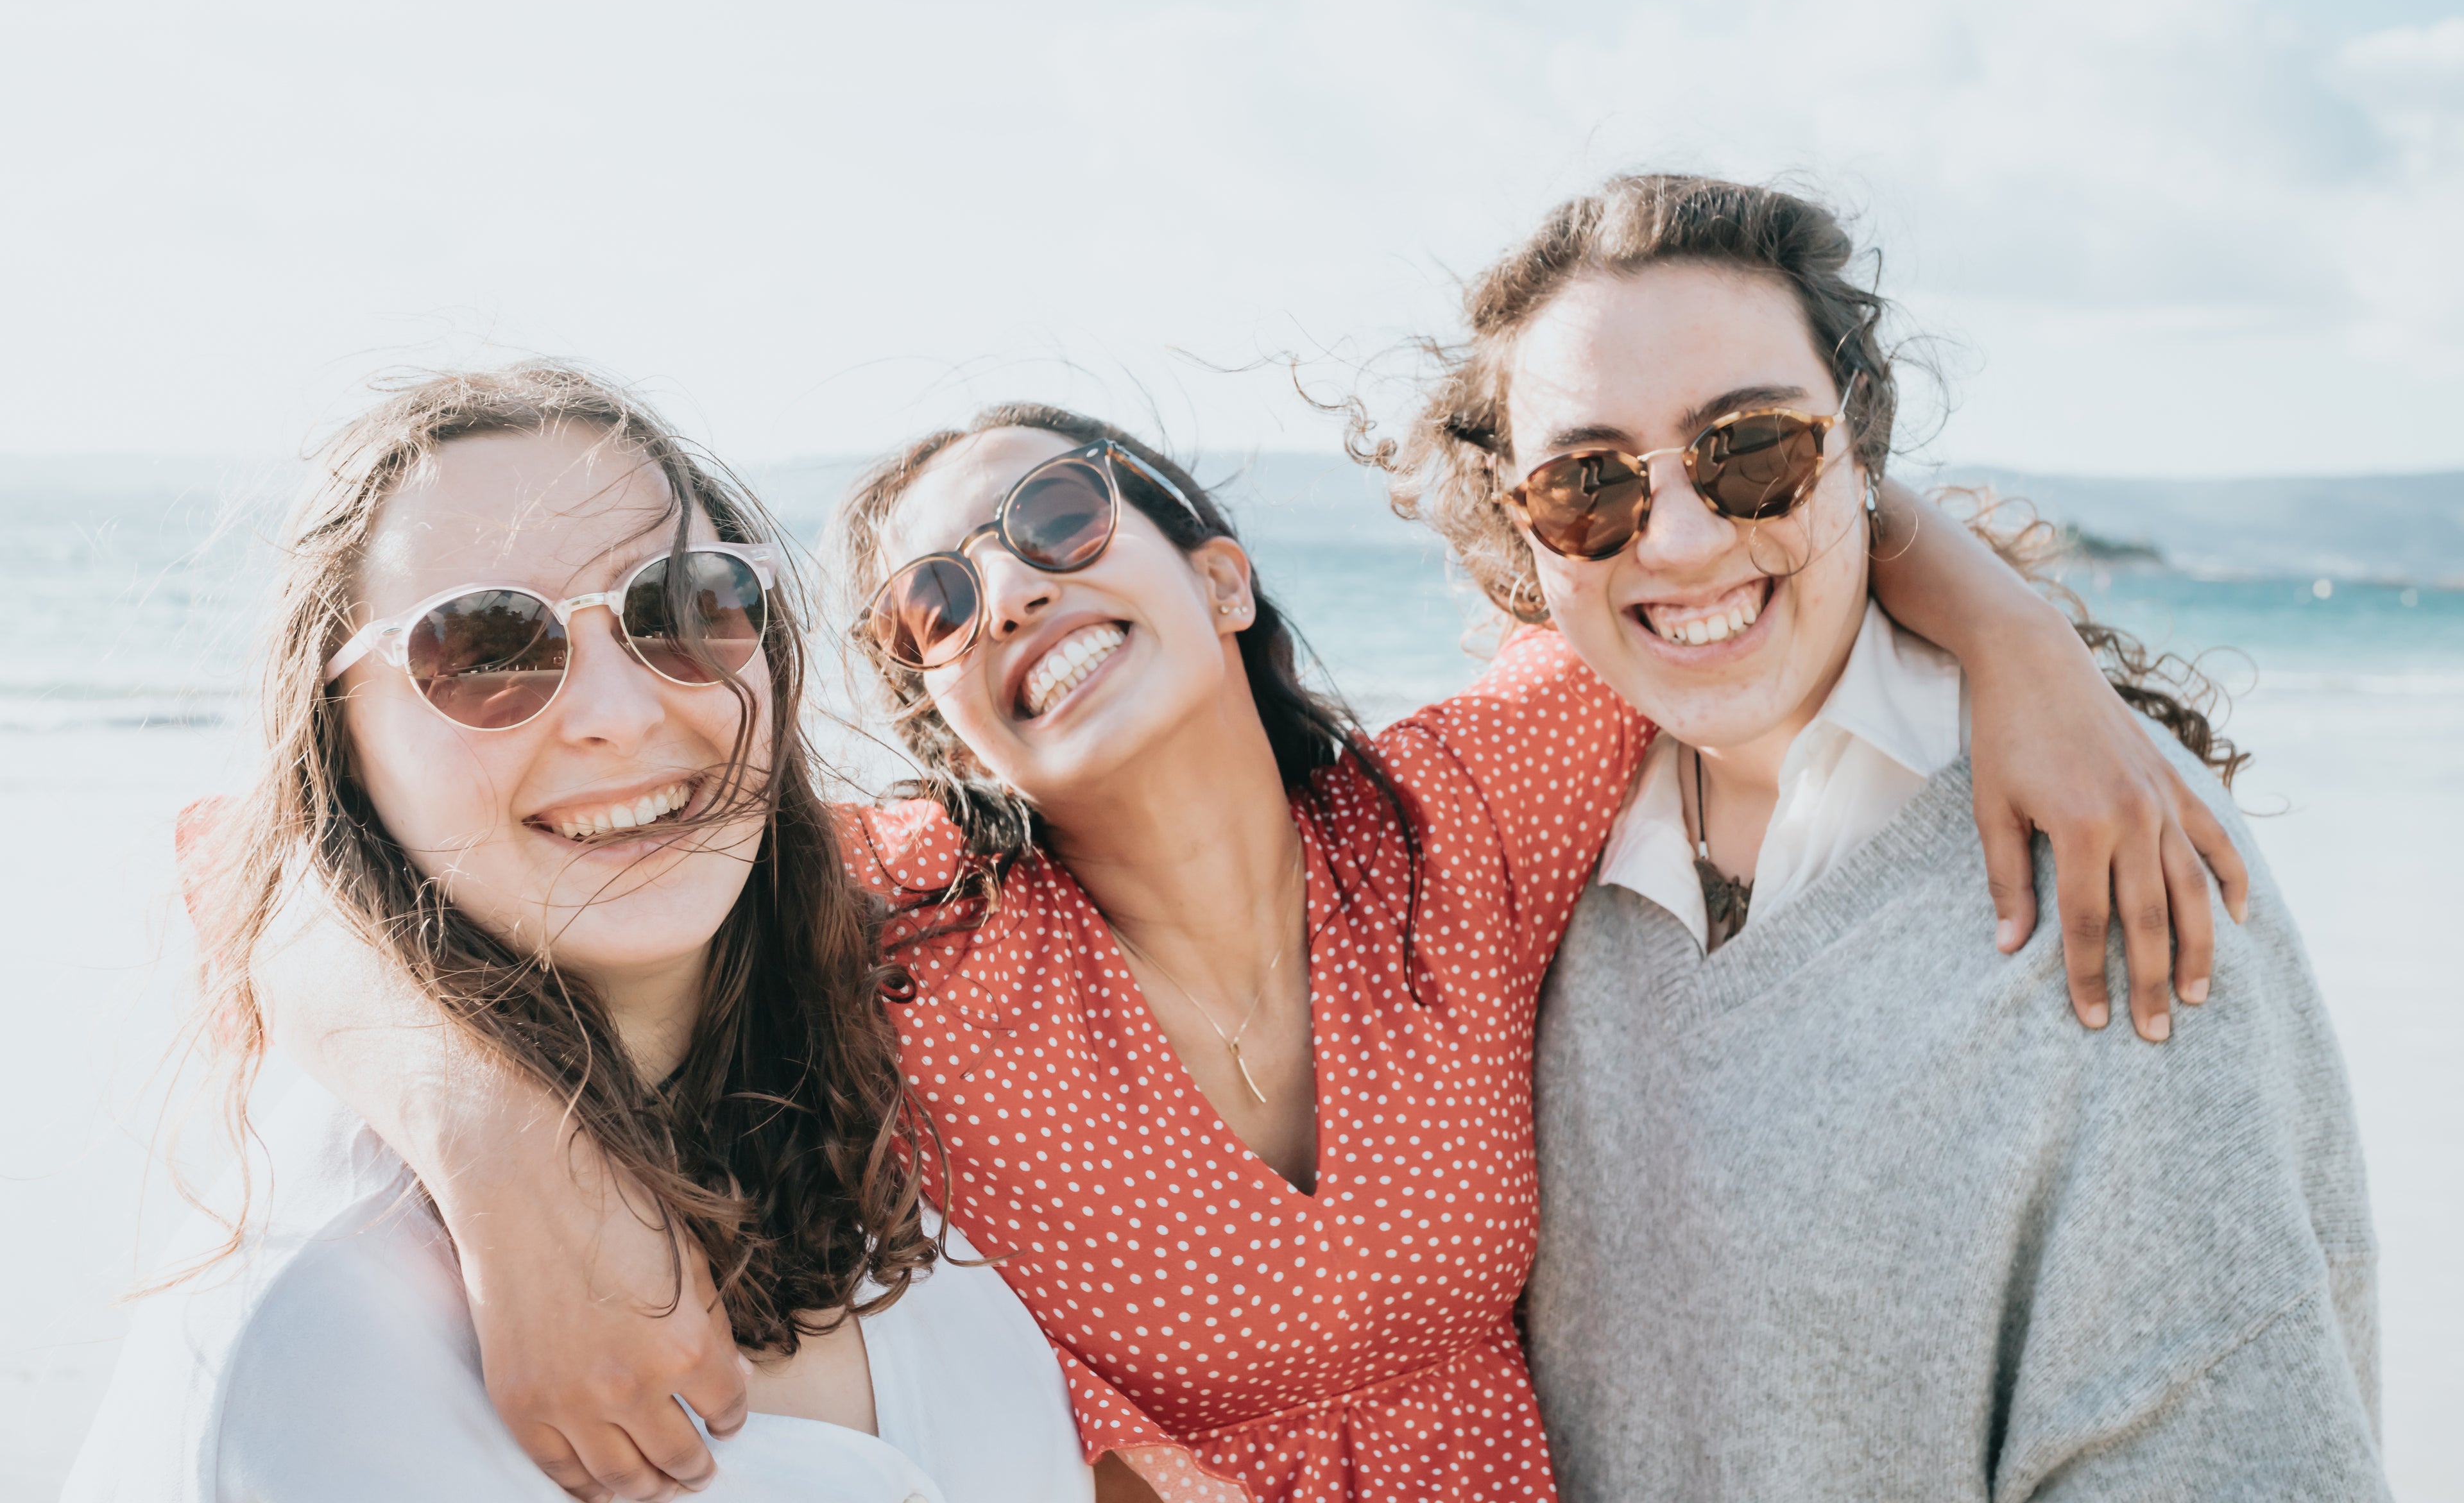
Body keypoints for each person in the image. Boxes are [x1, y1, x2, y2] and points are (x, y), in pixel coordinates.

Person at [243, 378, 2250, 1501]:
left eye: (1047, 522)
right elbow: (272, 861)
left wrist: (2018, 642)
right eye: (931, 603)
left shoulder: (1454, 824)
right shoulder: (904, 921)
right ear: (938, 713)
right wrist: (496, 1153)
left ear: (1217, 571)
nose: (1000, 593)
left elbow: (1716, 540)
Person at [1375, 172, 2387, 1499]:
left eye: (1751, 448)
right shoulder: (1500, 872)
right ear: (1524, 530)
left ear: (1859, 442)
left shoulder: (2107, 864)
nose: (1678, 538)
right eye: (1589, 485)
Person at [65, 369, 1093, 1503]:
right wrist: (493, 1140)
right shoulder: (321, 1347)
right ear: (343, 746)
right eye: (486, 649)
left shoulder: (945, 980)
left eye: (683, 604)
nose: (622, 713)